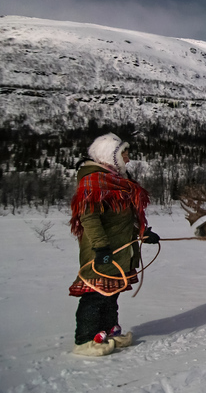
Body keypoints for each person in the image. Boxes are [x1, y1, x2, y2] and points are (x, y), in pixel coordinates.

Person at [67, 133, 160, 357]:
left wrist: (143, 232)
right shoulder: (93, 181)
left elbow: (128, 214)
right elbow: (89, 217)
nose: (128, 159)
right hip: (102, 251)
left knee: (112, 293)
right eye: (123, 154)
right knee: (95, 293)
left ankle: (108, 331)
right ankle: (85, 340)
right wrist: (100, 248)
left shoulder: (120, 181)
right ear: (110, 156)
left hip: (120, 249)